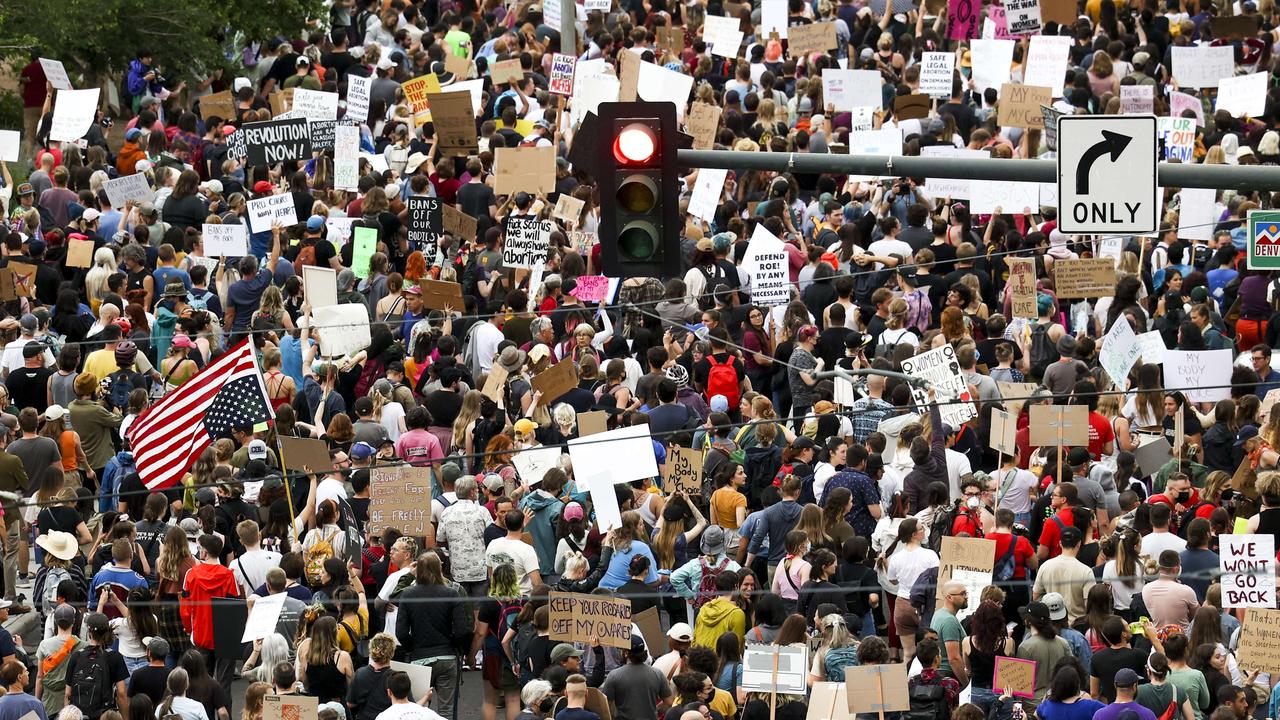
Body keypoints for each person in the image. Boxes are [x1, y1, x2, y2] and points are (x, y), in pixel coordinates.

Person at [64, 613, 129, 720]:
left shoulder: (76, 656)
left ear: (89, 632)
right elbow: (121, 693)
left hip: (79, 715)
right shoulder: (114, 657)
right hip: (104, 715)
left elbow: (67, 694)